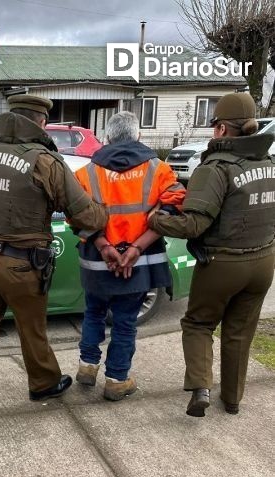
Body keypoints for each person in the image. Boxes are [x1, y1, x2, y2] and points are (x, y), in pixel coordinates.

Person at [0, 94, 108, 442]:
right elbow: (84, 214)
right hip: (22, 264)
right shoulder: (44, 160)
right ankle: (43, 384)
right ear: (40, 122)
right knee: (31, 328)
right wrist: (105, 211)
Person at [148, 92, 275, 417]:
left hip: (222, 262)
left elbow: (194, 224)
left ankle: (201, 387)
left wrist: (156, 220)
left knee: (199, 323)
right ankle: (232, 399)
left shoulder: (215, 167)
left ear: (220, 129)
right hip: (263, 260)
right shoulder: (269, 164)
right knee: (239, 331)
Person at [73, 111, 185, 400]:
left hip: (98, 261)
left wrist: (105, 247)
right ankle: (116, 380)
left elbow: (75, 214)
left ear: (107, 138)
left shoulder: (85, 173)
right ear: (138, 136)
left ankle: (87, 367)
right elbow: (175, 205)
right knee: (125, 321)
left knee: (94, 312)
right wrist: (135, 248)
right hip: (140, 263)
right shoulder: (159, 170)